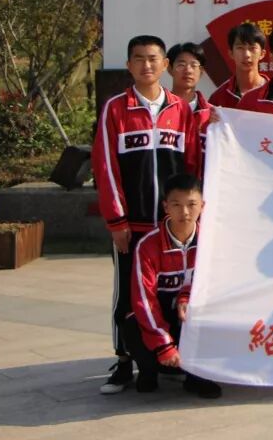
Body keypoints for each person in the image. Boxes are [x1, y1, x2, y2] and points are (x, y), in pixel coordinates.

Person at [92, 35, 196, 394]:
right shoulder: (116, 109)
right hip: (133, 226)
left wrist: (192, 214)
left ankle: (168, 356)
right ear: (129, 65)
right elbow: (106, 166)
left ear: (165, 65)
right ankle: (124, 362)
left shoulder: (180, 110)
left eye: (153, 59)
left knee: (175, 290)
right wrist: (117, 220)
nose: (146, 65)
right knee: (127, 294)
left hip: (173, 226)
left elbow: (192, 165)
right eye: (139, 59)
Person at [121, 173, 221, 398]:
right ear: (166, 206)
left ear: (202, 206)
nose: (184, 212)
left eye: (191, 204)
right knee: (132, 322)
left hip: (188, 315)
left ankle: (197, 377)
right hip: (160, 314)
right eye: (176, 205)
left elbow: (216, 284)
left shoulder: (211, 241)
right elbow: (144, 299)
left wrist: (186, 296)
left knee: (211, 314)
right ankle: (148, 371)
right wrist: (163, 344)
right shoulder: (148, 245)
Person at [167, 42, 213, 176]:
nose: (188, 70)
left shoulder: (213, 114)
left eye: (194, 65)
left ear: (201, 71)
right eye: (181, 65)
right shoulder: (159, 112)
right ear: (169, 68)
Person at [209, 23, 267, 108]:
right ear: (231, 53)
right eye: (240, 48)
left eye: (252, 48)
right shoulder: (218, 97)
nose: (246, 55)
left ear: (262, 54)